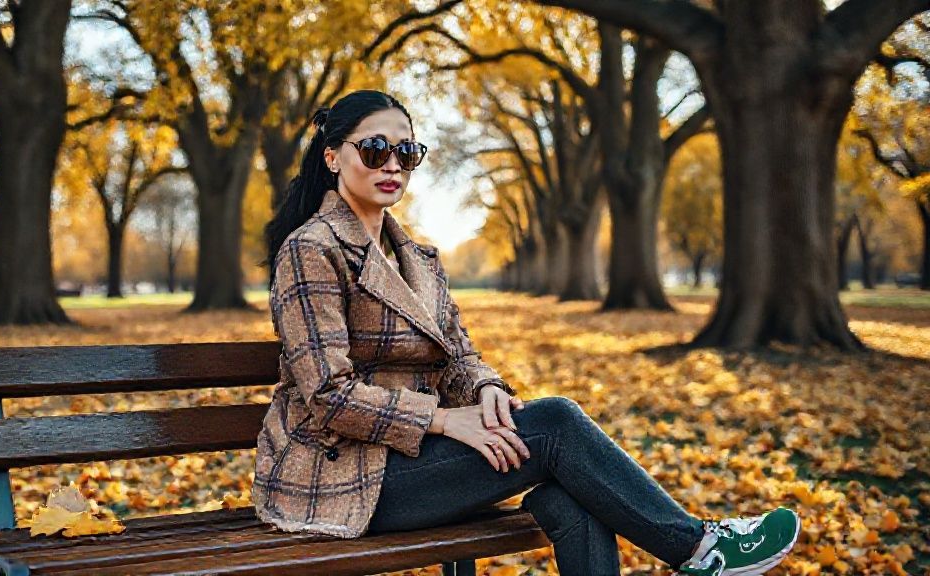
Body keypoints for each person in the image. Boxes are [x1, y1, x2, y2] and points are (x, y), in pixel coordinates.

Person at [256, 89, 800, 575]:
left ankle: (698, 548)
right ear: (333, 157)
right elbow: (328, 396)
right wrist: (447, 421)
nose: (393, 163)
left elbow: (459, 356)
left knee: (569, 499)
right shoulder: (311, 251)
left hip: (414, 461)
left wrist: (487, 391)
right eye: (375, 150)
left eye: (407, 152)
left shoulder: (417, 258)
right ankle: (698, 549)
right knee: (556, 423)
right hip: (343, 476)